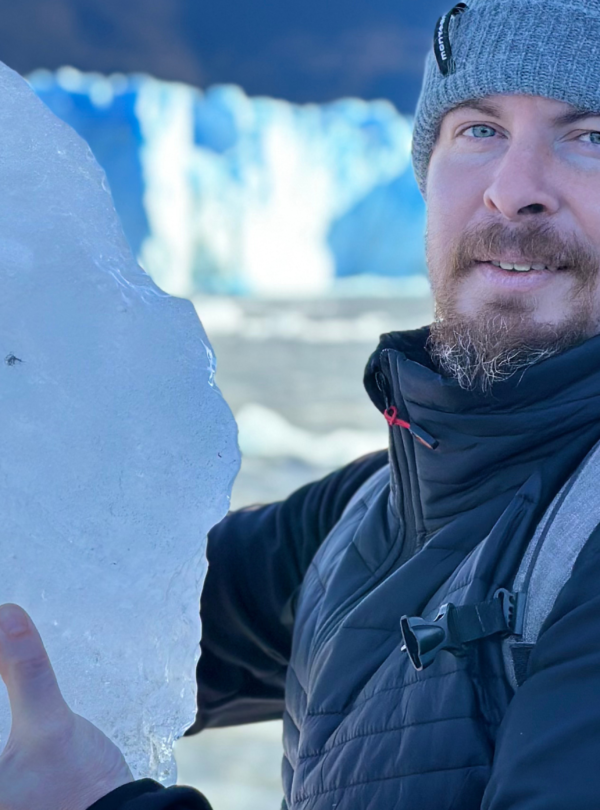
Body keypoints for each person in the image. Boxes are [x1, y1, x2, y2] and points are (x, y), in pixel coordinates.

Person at [5, 0, 600, 807]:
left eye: (590, 135)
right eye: (479, 130)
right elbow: (94, 611)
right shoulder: (371, 515)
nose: (513, 191)